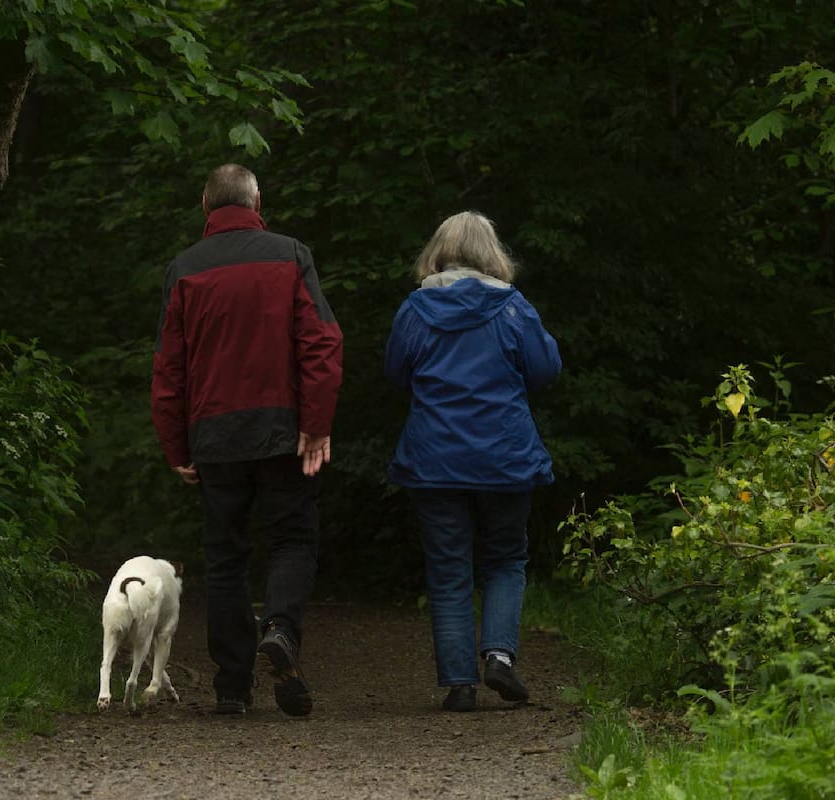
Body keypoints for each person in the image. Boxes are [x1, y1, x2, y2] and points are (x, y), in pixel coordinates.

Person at [151, 164, 343, 717]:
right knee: (292, 540)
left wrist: (176, 446)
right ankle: (280, 629)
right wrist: (317, 423)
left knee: (226, 557)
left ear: (203, 204)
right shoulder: (290, 255)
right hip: (283, 428)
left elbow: (169, 369)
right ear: (258, 199)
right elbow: (321, 344)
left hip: (214, 434)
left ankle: (233, 686)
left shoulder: (184, 268)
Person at [384, 211, 562, 712]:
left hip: (435, 457)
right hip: (503, 455)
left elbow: (396, 373)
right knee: (505, 558)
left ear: (438, 252)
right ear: (492, 253)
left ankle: (460, 684)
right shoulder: (513, 307)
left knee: (448, 570)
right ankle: (500, 657)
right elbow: (545, 369)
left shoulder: (416, 309)